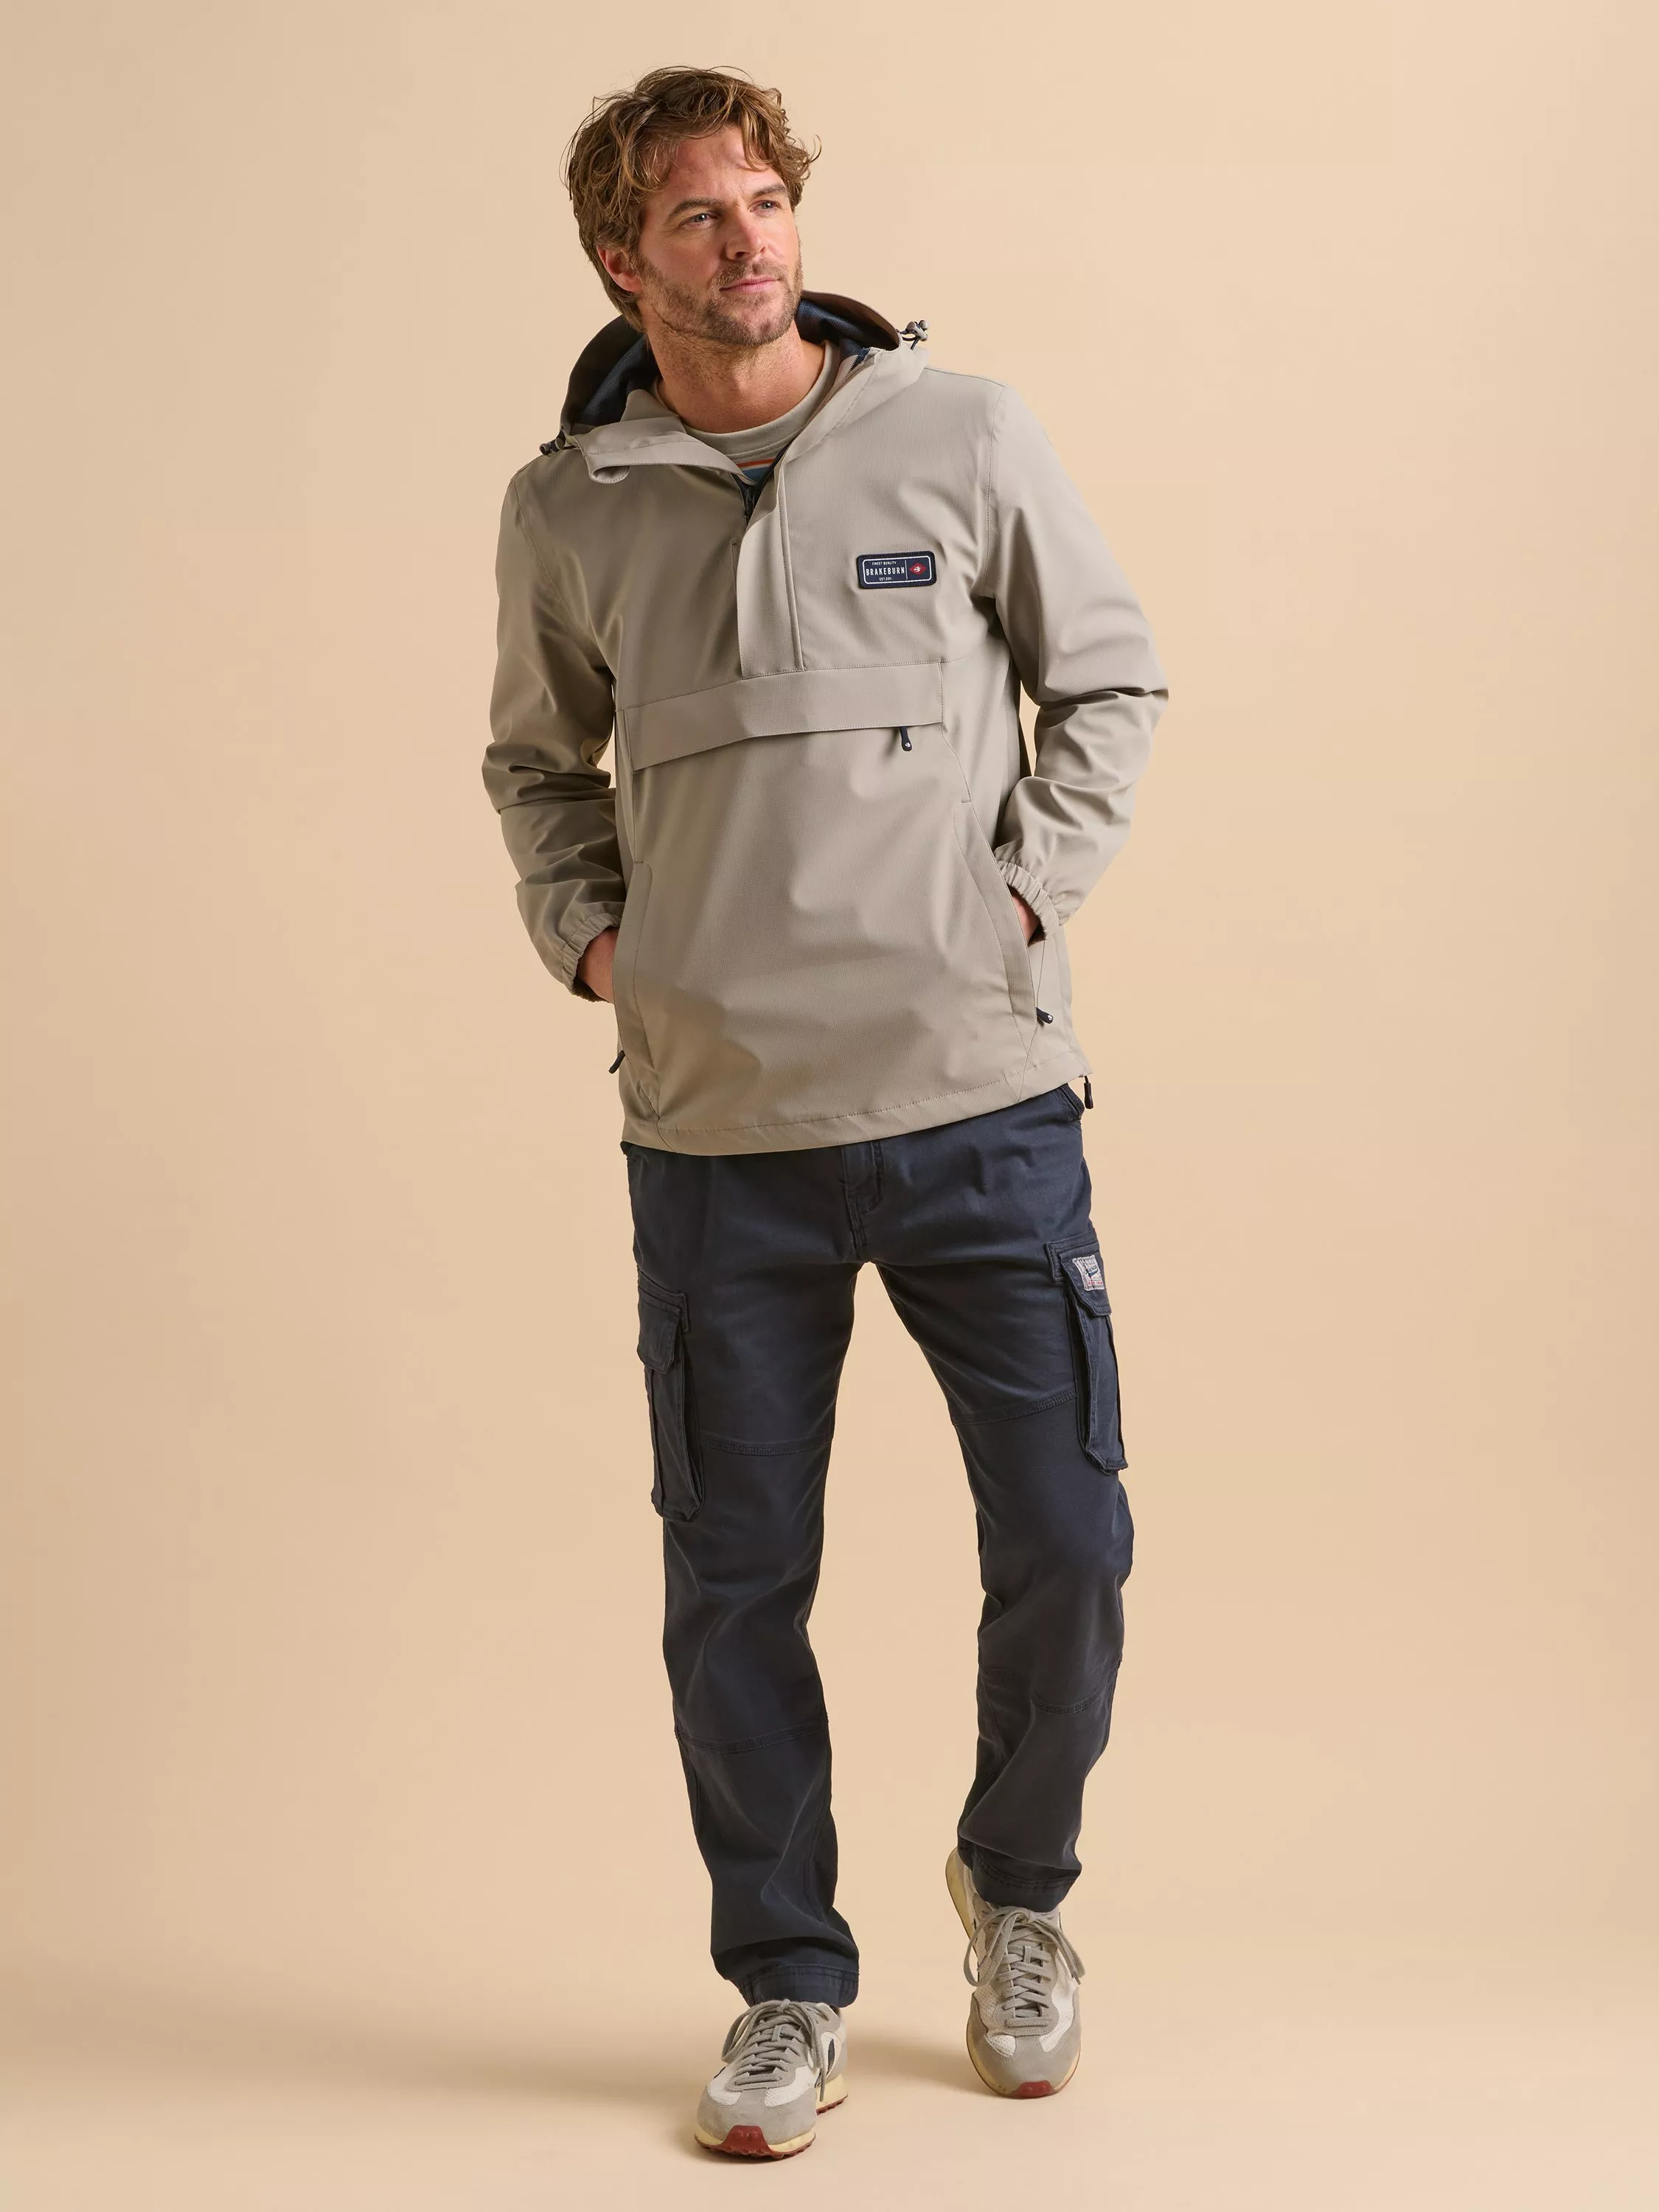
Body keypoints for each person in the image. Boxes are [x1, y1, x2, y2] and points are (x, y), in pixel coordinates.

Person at [483, 65, 1168, 2160]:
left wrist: (1019, 895)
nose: (750, 241)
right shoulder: (570, 506)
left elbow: (1113, 676)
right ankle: (785, 1977)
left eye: (766, 198)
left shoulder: (962, 433)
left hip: (981, 1102)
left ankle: (1019, 1894)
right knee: (735, 1578)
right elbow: (536, 768)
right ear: (623, 261)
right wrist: (603, 949)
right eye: (698, 216)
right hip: (717, 1141)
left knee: (1067, 1532)